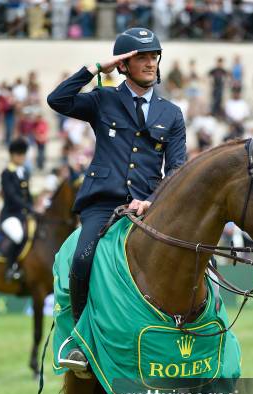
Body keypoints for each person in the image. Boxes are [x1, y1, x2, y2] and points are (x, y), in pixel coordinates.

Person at [47, 28, 187, 374]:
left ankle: (189, 333)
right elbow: (57, 100)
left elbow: (179, 169)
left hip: (151, 206)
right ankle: (80, 340)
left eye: (153, 55)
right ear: (123, 65)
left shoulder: (172, 114)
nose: (150, 62)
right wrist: (96, 67)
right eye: (141, 57)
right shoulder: (103, 99)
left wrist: (152, 201)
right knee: (82, 258)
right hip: (103, 203)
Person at [0, 137, 33, 281]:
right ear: (13, 155)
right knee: (18, 235)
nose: (22, 157)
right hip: (10, 215)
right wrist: (28, 207)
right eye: (20, 154)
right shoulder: (6, 173)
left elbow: (27, 194)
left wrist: (33, 207)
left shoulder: (24, 172)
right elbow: (12, 196)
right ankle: (10, 268)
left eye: (24, 154)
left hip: (23, 214)